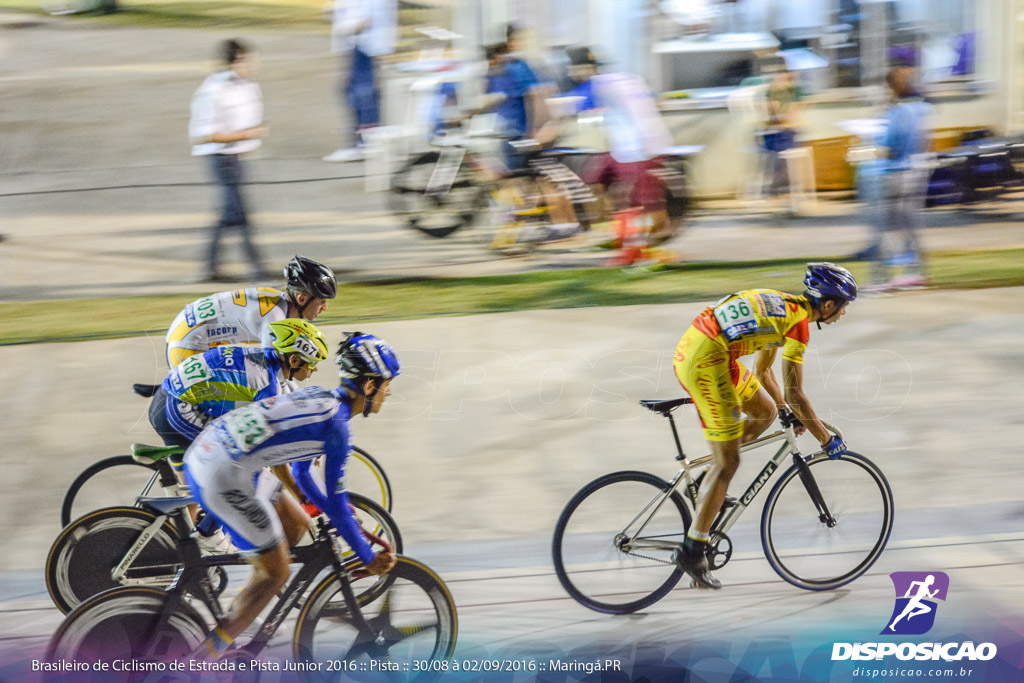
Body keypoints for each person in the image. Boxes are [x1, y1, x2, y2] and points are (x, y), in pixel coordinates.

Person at [183, 332, 400, 658]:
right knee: (277, 572)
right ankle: (201, 660)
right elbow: (339, 506)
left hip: (205, 454)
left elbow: (301, 475)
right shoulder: (338, 428)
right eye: (386, 383)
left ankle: (247, 608)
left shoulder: (318, 396)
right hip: (225, 475)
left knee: (297, 524)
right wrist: (368, 558)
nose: (389, 391)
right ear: (369, 387)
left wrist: (327, 508)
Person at [671, 262, 858, 589]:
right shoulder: (798, 325)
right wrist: (826, 439)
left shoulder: (785, 308)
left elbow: (765, 374)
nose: (843, 314)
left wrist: (788, 411)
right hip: (707, 360)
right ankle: (692, 550)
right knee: (729, 461)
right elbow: (796, 392)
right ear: (828, 305)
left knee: (765, 412)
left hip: (707, 349)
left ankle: (707, 484)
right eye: (843, 307)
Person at [149, 318, 329, 553]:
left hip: (172, 400)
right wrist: (299, 494)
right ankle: (207, 531)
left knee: (211, 476)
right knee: (234, 464)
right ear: (294, 360)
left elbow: (287, 400)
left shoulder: (266, 360)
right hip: (178, 410)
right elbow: (275, 462)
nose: (314, 369)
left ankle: (178, 545)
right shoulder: (265, 383)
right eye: (312, 363)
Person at [189, 39, 269, 282]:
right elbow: (205, 135)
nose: (255, 64)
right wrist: (247, 134)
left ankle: (210, 266)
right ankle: (258, 270)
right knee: (240, 214)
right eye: (249, 60)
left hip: (239, 157)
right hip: (220, 158)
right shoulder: (213, 90)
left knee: (229, 213)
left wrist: (248, 141)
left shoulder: (249, 85)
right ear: (236, 61)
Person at [165, 255, 336, 368]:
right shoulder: (275, 320)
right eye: (322, 301)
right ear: (302, 298)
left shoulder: (276, 300)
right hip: (187, 345)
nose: (325, 307)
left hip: (185, 330)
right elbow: (273, 375)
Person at [859, 66, 931, 292]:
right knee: (908, 225)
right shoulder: (918, 108)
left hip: (892, 174)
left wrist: (871, 148)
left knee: (880, 226)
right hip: (910, 172)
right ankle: (916, 273)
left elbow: (891, 147)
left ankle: (881, 277)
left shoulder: (899, 113)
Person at [323, 0, 397, 162]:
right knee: (353, 92)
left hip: (364, 45)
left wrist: (346, 26)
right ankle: (365, 141)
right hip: (358, 44)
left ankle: (366, 143)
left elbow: (367, 20)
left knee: (362, 95)